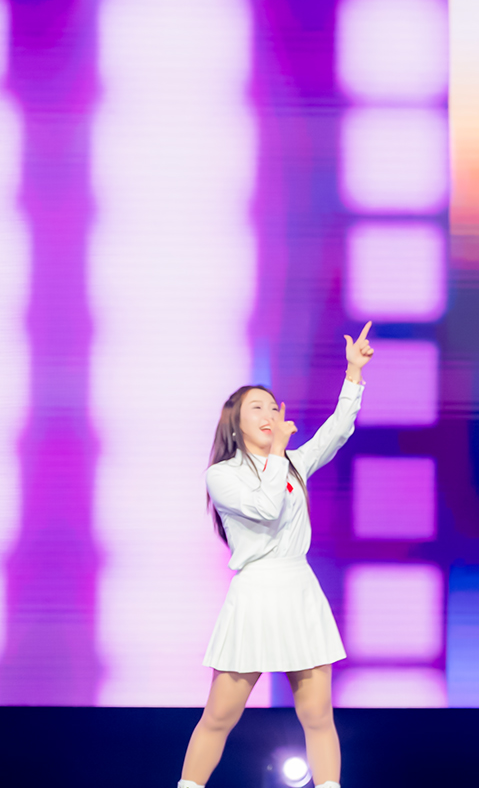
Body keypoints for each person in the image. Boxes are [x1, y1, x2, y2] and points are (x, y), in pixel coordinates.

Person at [177, 323, 375, 788]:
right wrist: (279, 455)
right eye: (257, 408)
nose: (269, 414)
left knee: (318, 716)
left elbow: (336, 432)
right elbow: (266, 508)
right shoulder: (222, 475)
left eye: (272, 406)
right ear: (235, 423)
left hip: (299, 591)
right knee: (219, 716)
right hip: (255, 593)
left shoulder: (292, 463)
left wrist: (353, 373)